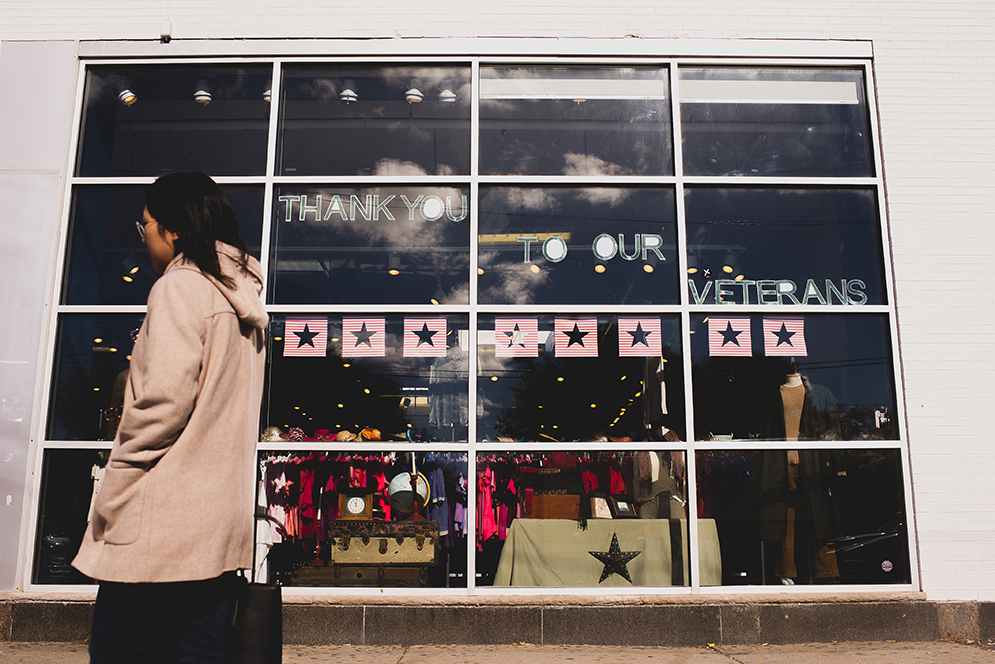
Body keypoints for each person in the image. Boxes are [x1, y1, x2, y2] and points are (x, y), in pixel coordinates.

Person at [73, 171, 268, 663]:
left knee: (120, 652)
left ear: (175, 228)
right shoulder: (242, 302)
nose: (145, 239)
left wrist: (114, 488)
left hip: (158, 528)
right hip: (213, 529)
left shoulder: (180, 288)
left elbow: (161, 405)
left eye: (147, 226)